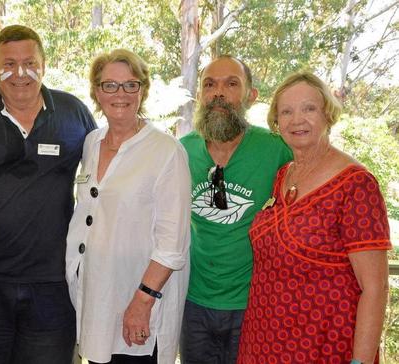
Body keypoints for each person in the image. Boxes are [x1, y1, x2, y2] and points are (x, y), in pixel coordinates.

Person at [0, 25, 96, 364]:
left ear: (44, 64)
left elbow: (106, 181)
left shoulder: (74, 113)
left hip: (54, 287)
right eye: (8, 63)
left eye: (30, 62)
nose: (20, 73)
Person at [237, 72, 391, 364]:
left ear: (327, 114)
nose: (297, 120)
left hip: (324, 346)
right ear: (277, 122)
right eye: (287, 111)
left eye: (309, 109)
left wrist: (360, 361)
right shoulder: (284, 175)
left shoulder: (355, 184)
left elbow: (376, 288)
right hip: (264, 341)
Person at [65, 49, 191, 364]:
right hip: (98, 296)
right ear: (96, 91)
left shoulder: (166, 151)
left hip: (138, 299)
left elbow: (172, 243)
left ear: (143, 90)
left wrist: (141, 302)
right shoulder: (92, 143)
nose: (120, 94)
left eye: (130, 85)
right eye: (110, 85)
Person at [179, 55, 293, 363]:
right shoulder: (181, 150)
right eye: (209, 84)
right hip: (192, 304)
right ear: (200, 94)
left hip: (254, 303)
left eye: (231, 84)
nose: (219, 92)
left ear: (250, 95)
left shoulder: (276, 149)